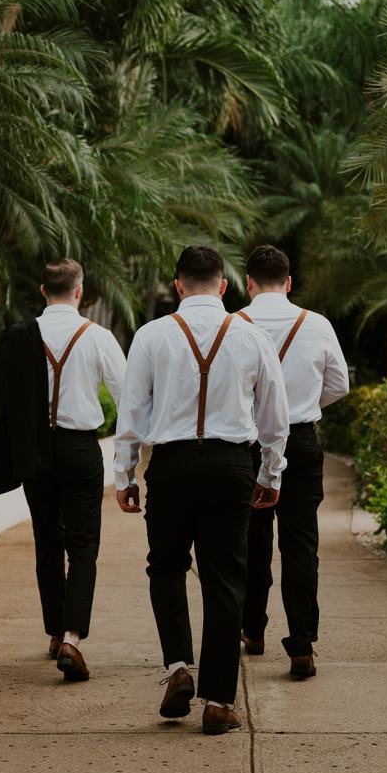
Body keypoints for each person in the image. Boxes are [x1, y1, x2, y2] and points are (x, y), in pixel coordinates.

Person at [114, 245, 289, 736]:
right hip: (230, 466)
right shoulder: (252, 336)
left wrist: (125, 476)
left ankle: (178, 667)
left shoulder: (151, 335)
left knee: (166, 566)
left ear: (178, 285)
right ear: (224, 285)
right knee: (225, 578)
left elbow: (131, 413)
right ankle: (218, 701)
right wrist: (270, 474)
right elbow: (274, 417)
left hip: (171, 466)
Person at [0, 258, 125, 682]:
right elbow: (129, 397)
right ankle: (73, 638)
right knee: (83, 545)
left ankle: (56, 631)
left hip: (35, 452)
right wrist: (128, 463)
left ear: (43, 291)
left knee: (47, 540)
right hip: (81, 449)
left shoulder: (19, 336)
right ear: (80, 292)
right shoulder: (97, 336)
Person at [237, 244, 349, 678]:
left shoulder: (234, 325)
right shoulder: (316, 324)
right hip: (300, 441)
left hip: (248, 444)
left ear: (248, 282)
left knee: (252, 542)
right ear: (288, 282)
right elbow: (339, 385)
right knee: (301, 544)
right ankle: (302, 644)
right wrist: (300, 407)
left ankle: (253, 629)